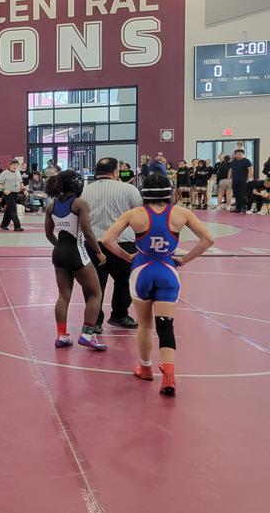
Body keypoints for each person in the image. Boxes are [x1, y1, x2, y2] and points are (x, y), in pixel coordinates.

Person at [102, 174, 215, 396]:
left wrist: (126, 256)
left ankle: (145, 368)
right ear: (169, 191)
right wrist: (185, 259)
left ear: (144, 192)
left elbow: (107, 239)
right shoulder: (182, 213)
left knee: (144, 325)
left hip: (142, 272)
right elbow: (208, 239)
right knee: (165, 325)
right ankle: (169, 376)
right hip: (167, 272)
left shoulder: (135, 214)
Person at [44, 170, 107, 351]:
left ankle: (61, 336)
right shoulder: (80, 203)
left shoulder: (51, 206)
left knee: (63, 296)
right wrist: (99, 253)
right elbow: (87, 232)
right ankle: (87, 334)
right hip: (76, 252)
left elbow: (48, 233)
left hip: (59, 253)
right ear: (77, 184)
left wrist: (60, 247)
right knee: (96, 293)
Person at [80, 157, 143, 332]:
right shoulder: (128, 189)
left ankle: (95, 321)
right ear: (116, 172)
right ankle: (120, 315)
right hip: (123, 242)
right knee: (124, 281)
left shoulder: (85, 191)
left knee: (94, 284)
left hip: (93, 243)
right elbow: (141, 214)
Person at [0, 159, 24, 231]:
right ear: (10, 165)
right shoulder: (4, 173)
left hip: (16, 193)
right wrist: (4, 190)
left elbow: (21, 182)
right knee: (13, 209)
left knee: (9, 210)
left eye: (16, 165)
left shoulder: (18, 172)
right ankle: (17, 226)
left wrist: (23, 187)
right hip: (8, 193)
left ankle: (3, 225)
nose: (15, 166)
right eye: (14, 165)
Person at [229, 148, 254, 213]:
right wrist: (228, 178)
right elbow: (231, 170)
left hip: (243, 181)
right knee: (236, 195)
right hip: (235, 181)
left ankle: (244, 207)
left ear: (243, 154)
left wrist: (249, 179)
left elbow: (250, 170)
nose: (238, 155)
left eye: (240, 153)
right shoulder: (234, 161)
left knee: (243, 195)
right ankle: (238, 208)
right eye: (237, 153)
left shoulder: (247, 161)